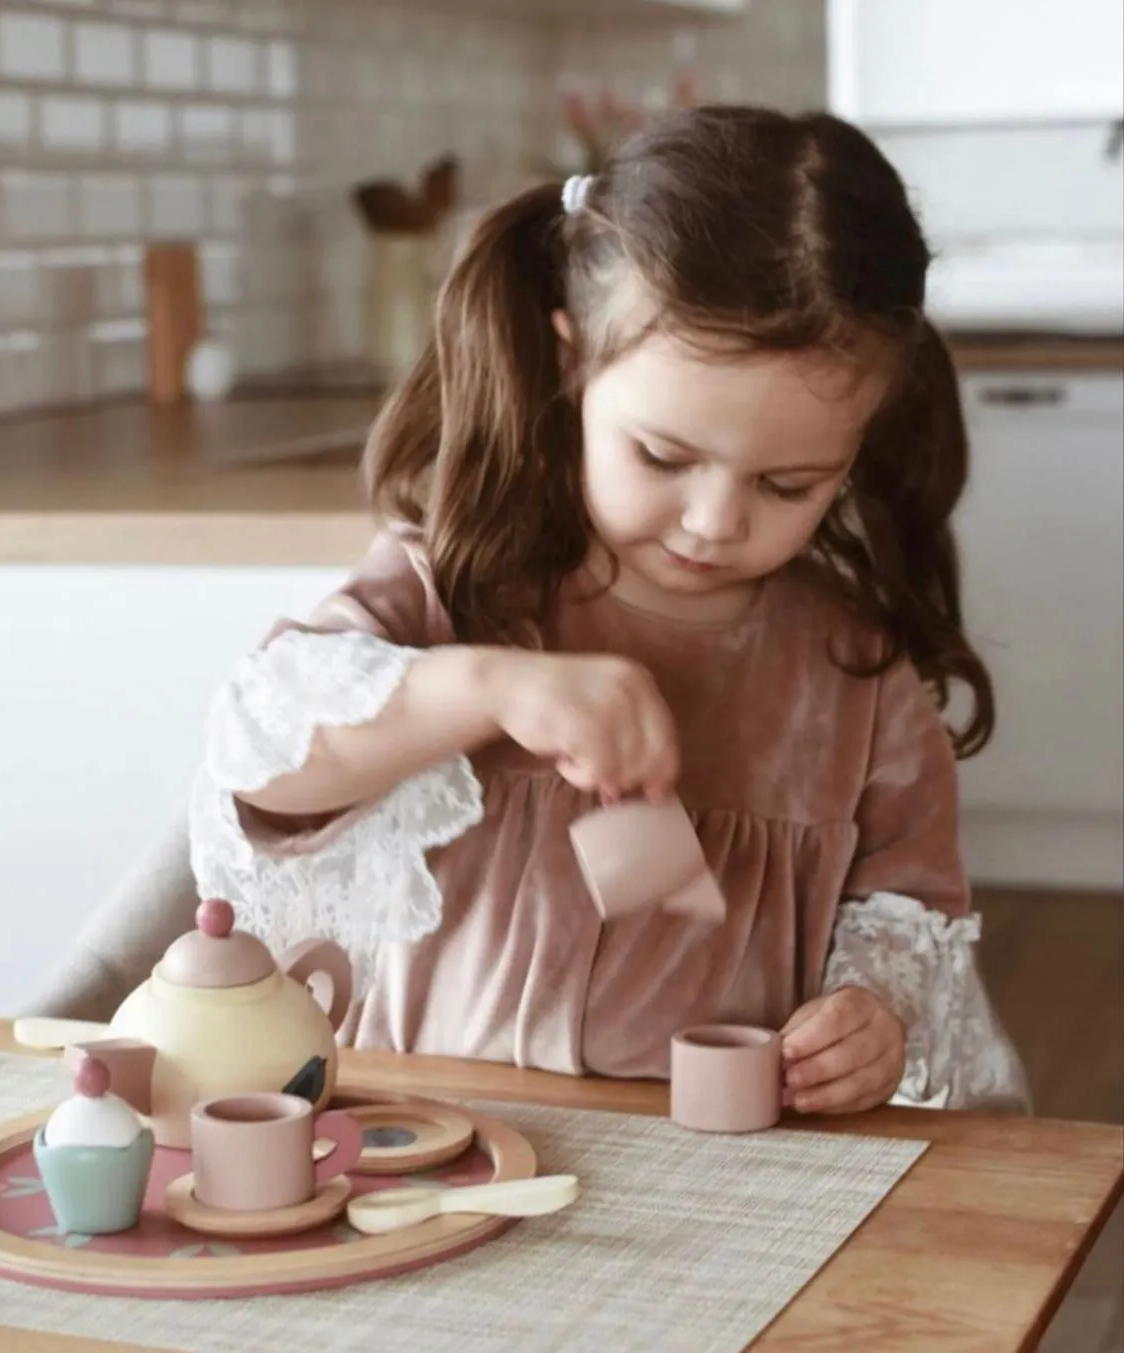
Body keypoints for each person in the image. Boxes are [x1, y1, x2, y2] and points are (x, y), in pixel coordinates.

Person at [188, 106, 1027, 1114]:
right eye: (664, 459)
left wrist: (873, 1012)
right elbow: (262, 752)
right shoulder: (454, 589)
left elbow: (907, 906)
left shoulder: (854, 672)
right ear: (568, 363)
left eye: (790, 485)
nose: (715, 522)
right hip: (423, 1143)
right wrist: (485, 686)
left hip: (714, 1172)